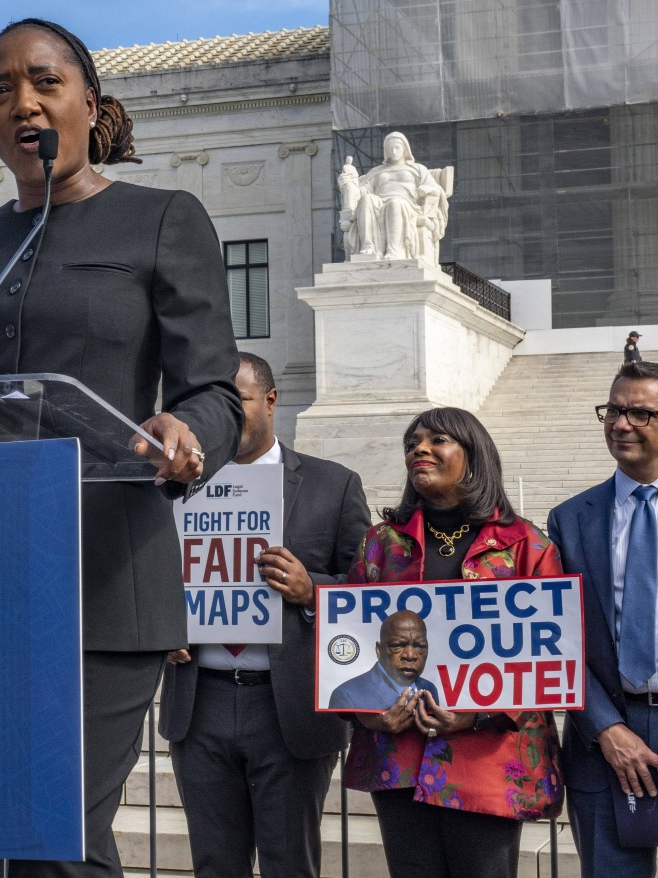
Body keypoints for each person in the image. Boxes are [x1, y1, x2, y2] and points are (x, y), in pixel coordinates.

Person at [0, 17, 243, 878]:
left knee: (48, 823)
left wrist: (188, 434)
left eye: (43, 82)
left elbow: (214, 391)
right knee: (3, 834)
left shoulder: (163, 219)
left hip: (106, 580)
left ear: (90, 105)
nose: (21, 102)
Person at [158, 352, 369, 878]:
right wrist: (162, 626)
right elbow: (143, 579)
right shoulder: (173, 489)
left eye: (239, 402)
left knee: (289, 865)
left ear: (271, 401)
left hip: (288, 708)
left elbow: (369, 593)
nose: (225, 418)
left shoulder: (333, 485)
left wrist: (312, 589)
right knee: (215, 865)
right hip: (199, 703)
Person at [343, 406, 563, 878]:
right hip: (398, 758)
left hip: (489, 762)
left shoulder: (526, 545)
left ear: (473, 454)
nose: (419, 449)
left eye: (437, 440)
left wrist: (477, 713)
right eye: (412, 443)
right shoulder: (380, 544)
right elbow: (348, 644)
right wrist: (366, 712)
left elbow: (550, 655)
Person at [548, 361, 658, 876]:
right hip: (604, 743)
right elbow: (556, 636)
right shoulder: (570, 519)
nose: (621, 424)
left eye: (640, 413)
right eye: (613, 410)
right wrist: (605, 728)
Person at [337, 131, 448, 263]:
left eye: (397, 147)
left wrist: (428, 189)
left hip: (408, 204)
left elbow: (437, 190)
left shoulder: (418, 169)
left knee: (394, 203)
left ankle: (394, 250)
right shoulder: (376, 171)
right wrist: (348, 183)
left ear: (405, 149)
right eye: (390, 148)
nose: (394, 151)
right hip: (379, 202)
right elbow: (362, 192)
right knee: (366, 200)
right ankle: (368, 246)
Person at [328, 610, 440, 711]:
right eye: (398, 645)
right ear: (379, 650)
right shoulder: (347, 695)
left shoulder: (429, 689)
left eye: (420, 646)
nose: (410, 655)